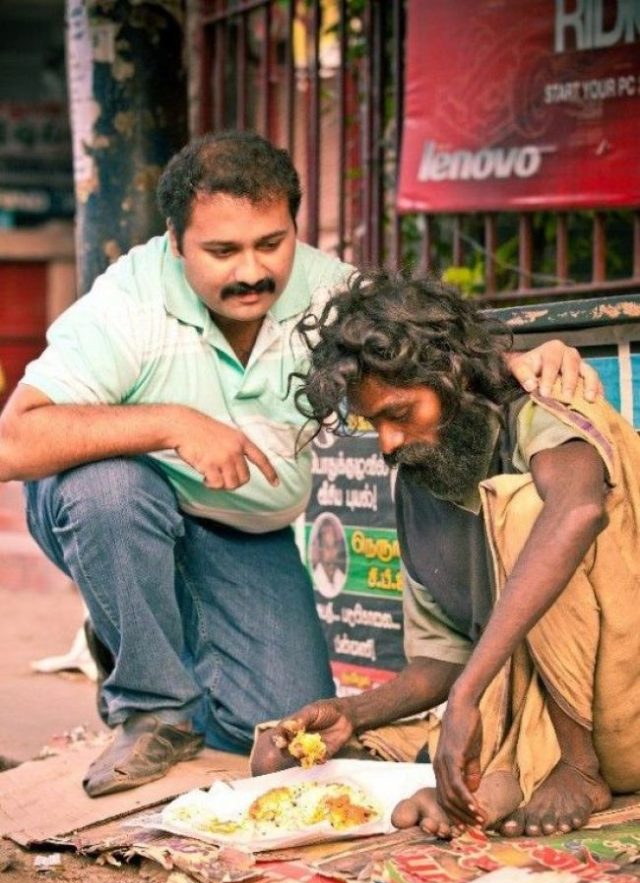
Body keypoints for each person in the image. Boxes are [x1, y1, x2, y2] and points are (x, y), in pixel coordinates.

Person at [0, 132, 601, 798]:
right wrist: (175, 424)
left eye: (271, 243)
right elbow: (14, 442)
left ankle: (146, 631)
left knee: (276, 731)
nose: (251, 271)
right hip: (128, 506)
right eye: (222, 251)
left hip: (242, 530)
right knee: (109, 488)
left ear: (294, 227)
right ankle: (151, 703)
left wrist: (515, 366)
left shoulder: (326, 289)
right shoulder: (128, 303)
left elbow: (424, 347)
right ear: (175, 242)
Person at [251, 269, 640, 839]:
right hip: (514, 705)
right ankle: (496, 778)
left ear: (453, 379)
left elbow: (576, 511)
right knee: (280, 762)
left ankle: (576, 767)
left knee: (529, 511)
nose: (386, 442)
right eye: (374, 422)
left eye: (400, 415)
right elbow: (441, 661)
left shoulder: (539, 410)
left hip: (622, 704)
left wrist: (467, 696)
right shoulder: (420, 482)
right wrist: (351, 714)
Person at [312, 514, 347, 598]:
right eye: (327, 546)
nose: (331, 553)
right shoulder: (314, 579)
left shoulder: (341, 577)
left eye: (334, 545)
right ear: (320, 548)